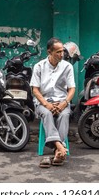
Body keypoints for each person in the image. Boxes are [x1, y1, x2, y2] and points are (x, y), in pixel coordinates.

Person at [30, 37, 76, 168]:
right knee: (47, 114)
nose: (62, 54)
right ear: (49, 52)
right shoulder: (39, 66)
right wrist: (46, 104)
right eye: (58, 52)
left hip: (62, 101)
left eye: (62, 51)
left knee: (65, 115)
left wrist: (64, 103)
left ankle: (57, 151)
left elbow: (72, 89)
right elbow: (35, 90)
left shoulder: (67, 66)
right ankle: (60, 148)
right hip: (43, 102)